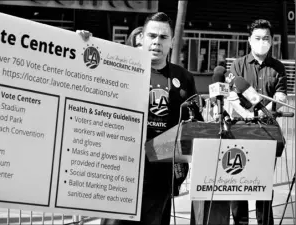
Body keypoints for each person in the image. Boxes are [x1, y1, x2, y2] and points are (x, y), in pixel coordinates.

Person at [77, 12, 200, 224]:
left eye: (163, 37)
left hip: (161, 174)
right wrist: (80, 44)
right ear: (142, 38)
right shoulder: (118, 69)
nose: (156, 42)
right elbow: (84, 77)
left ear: (171, 41)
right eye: (152, 36)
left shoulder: (184, 78)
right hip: (121, 170)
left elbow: (193, 122)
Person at [229, 19, 287, 225]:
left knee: (263, 184)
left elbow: (280, 98)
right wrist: (246, 114)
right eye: (258, 38)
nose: (262, 42)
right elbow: (233, 97)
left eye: (266, 38)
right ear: (249, 40)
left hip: (268, 132)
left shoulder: (278, 68)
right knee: (238, 180)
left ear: (272, 41)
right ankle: (240, 221)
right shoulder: (238, 65)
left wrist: (265, 111)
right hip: (241, 130)